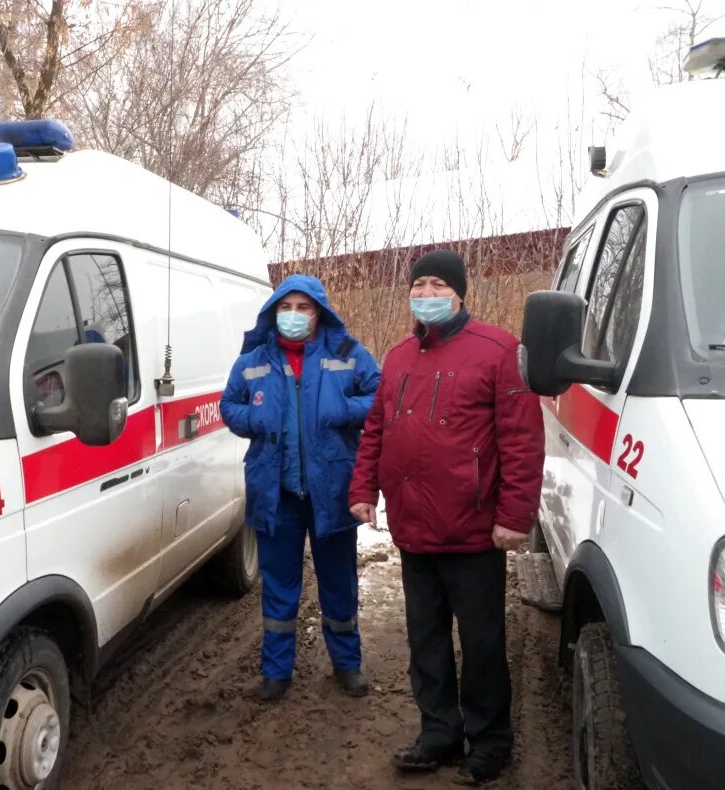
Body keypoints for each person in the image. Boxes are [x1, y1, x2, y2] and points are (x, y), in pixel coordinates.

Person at [348, 250, 544, 785]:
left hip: (474, 529)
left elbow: (523, 442)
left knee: (481, 645)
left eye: (438, 284)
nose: (426, 294)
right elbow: (377, 431)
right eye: (420, 285)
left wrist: (514, 515)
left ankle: (489, 741)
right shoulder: (399, 356)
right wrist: (364, 488)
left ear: (460, 293)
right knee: (426, 640)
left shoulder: (500, 350)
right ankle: (438, 732)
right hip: (414, 528)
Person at [221, 274, 381, 702]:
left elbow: (381, 397)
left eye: (303, 308)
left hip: (332, 489)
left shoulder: (347, 354)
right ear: (274, 311)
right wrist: (255, 420)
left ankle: (347, 665)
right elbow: (229, 406)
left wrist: (345, 408)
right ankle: (276, 673)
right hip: (277, 492)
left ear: (319, 312)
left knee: (339, 582)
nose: (294, 316)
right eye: (285, 307)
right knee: (279, 584)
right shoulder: (253, 359)